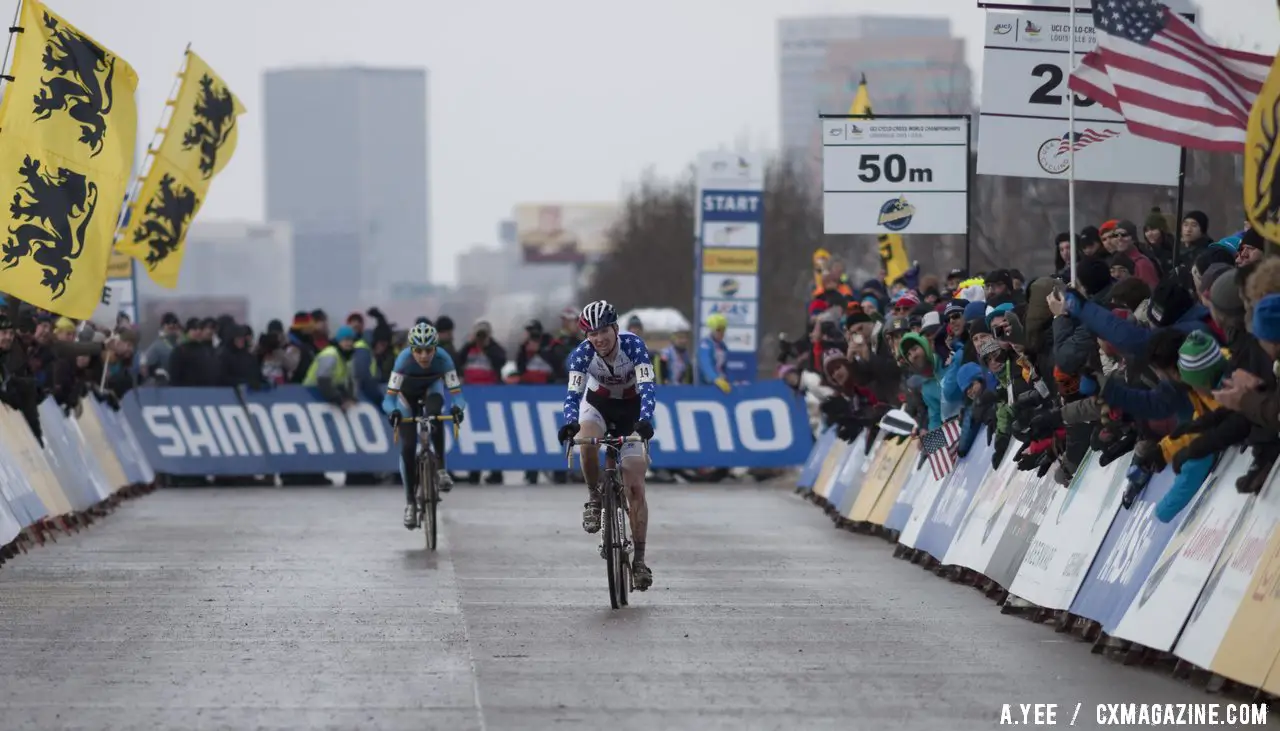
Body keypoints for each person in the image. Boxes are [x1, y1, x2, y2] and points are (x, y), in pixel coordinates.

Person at [556, 300, 657, 591]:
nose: (598, 338)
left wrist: (645, 420)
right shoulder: (582, 355)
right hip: (598, 405)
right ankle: (594, 499)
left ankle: (639, 561)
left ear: (615, 328)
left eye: (603, 331)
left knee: (635, 486)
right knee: (586, 442)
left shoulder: (634, 346)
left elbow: (649, 387)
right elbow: (573, 395)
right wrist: (569, 422)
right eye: (591, 333)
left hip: (631, 410)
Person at [382, 323, 467, 530]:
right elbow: (388, 400)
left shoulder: (444, 359)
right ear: (411, 349)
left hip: (431, 389)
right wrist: (392, 412)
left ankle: (441, 470)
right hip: (406, 396)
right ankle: (410, 503)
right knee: (409, 446)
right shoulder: (402, 360)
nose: (423, 356)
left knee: (435, 415)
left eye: (429, 350)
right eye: (418, 351)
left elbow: (458, 397)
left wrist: (457, 409)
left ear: (435, 348)